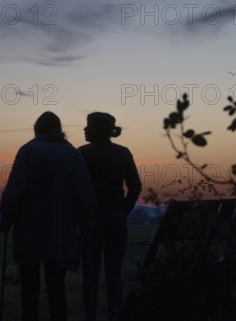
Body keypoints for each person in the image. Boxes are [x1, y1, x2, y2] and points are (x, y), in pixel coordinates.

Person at [0, 111, 96, 321]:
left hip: (29, 228)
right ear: (59, 130)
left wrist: (6, 218)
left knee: (29, 285)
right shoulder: (72, 154)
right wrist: (85, 223)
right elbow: (85, 194)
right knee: (56, 285)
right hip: (61, 229)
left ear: (36, 129)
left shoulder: (28, 151)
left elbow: (14, 190)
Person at [79, 112, 142, 321]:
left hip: (91, 219)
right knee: (114, 272)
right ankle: (116, 315)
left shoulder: (82, 154)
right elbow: (135, 187)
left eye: (88, 126)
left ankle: (90, 316)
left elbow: (74, 188)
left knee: (90, 273)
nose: (84, 129)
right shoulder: (123, 153)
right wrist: (124, 210)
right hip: (116, 217)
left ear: (97, 129)